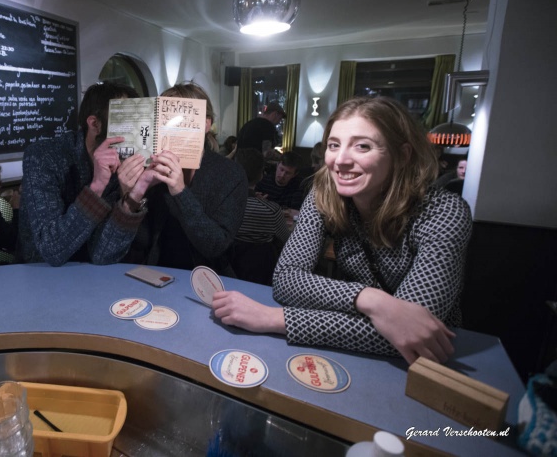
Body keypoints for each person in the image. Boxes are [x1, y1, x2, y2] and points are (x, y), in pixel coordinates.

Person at [212, 96, 473, 365]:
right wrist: (371, 300)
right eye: (334, 145)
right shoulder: (324, 192)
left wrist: (272, 318)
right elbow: (287, 279)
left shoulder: (444, 211)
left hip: (433, 362)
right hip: (355, 353)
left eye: (363, 146)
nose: (341, 160)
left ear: (402, 155)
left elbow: (409, 332)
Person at [17, 82, 156, 266]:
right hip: (39, 277)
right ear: (94, 124)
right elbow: (51, 250)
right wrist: (97, 187)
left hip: (92, 281)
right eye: (125, 121)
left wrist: (131, 198)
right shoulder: (44, 156)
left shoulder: (121, 164)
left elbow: (103, 255)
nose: (135, 132)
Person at [126, 82, 248, 275]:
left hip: (206, 280)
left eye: (183, 121)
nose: (174, 128)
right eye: (165, 121)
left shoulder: (230, 174)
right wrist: (132, 194)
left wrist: (180, 192)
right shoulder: (150, 166)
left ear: (206, 124)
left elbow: (216, 246)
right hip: (152, 275)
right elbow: (139, 242)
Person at [228, 148, 290, 285]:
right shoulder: (272, 210)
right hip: (261, 275)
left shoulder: (224, 205)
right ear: (261, 175)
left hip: (227, 272)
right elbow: (288, 241)